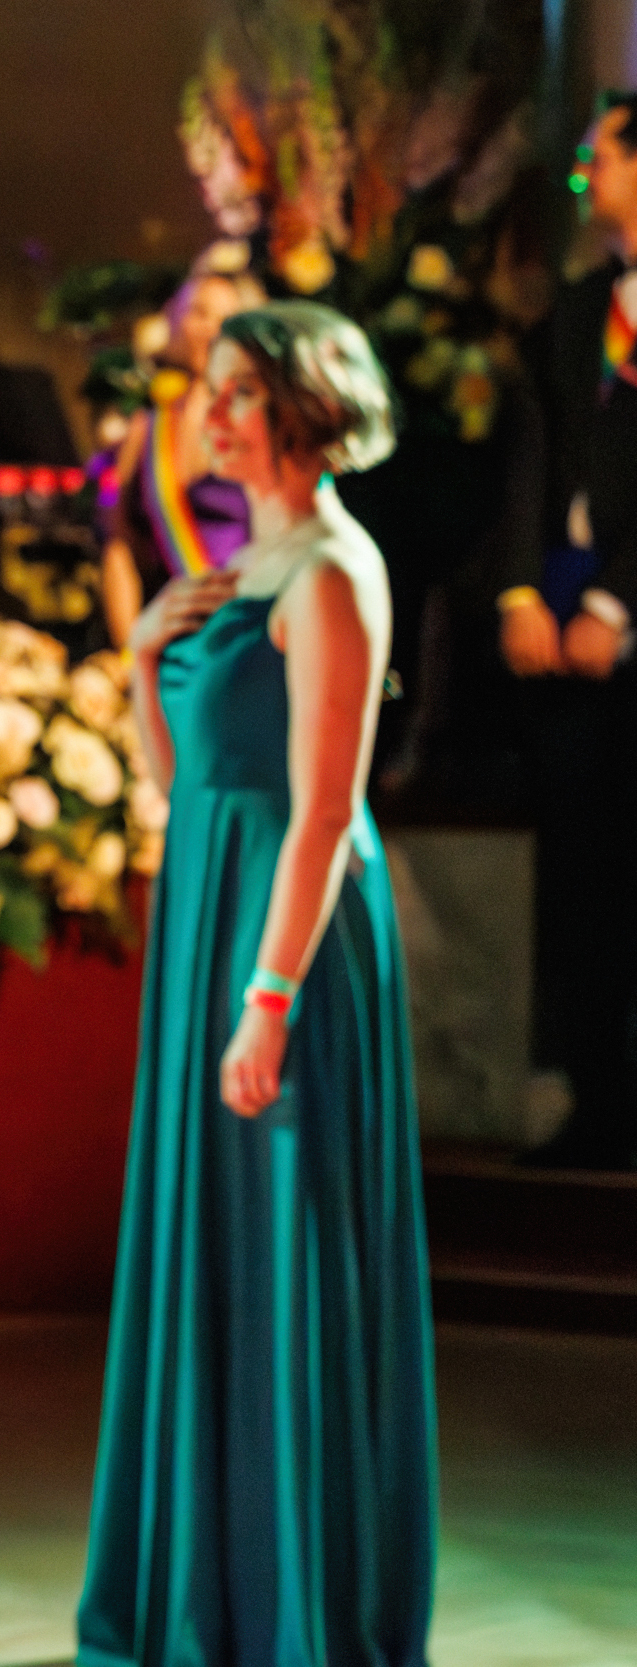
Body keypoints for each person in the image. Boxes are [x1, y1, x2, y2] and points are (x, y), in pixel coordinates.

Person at [80, 302, 436, 1667]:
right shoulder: (244, 565)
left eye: (235, 390)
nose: (208, 412)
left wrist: (269, 995)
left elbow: (324, 812)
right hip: (211, 905)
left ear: (302, 406)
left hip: (285, 932)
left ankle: (296, 1606)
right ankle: (211, 1594)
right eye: (211, 387)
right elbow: (188, 784)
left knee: (282, 1242)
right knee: (216, 1242)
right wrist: (139, 658)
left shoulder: (335, 569)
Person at [490, 90, 637, 1169]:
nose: (586, 177)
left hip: (621, 610)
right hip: (563, 612)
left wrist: (617, 602)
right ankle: (593, 1100)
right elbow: (527, 455)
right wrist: (518, 592)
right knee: (582, 873)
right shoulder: (579, 309)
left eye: (602, 159)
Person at [96, 253, 268, 647]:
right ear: (175, 320)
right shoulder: (147, 427)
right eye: (198, 313)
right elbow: (118, 540)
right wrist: (130, 648)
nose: (210, 329)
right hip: (169, 643)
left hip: (246, 636)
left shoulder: (261, 423)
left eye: (225, 318)